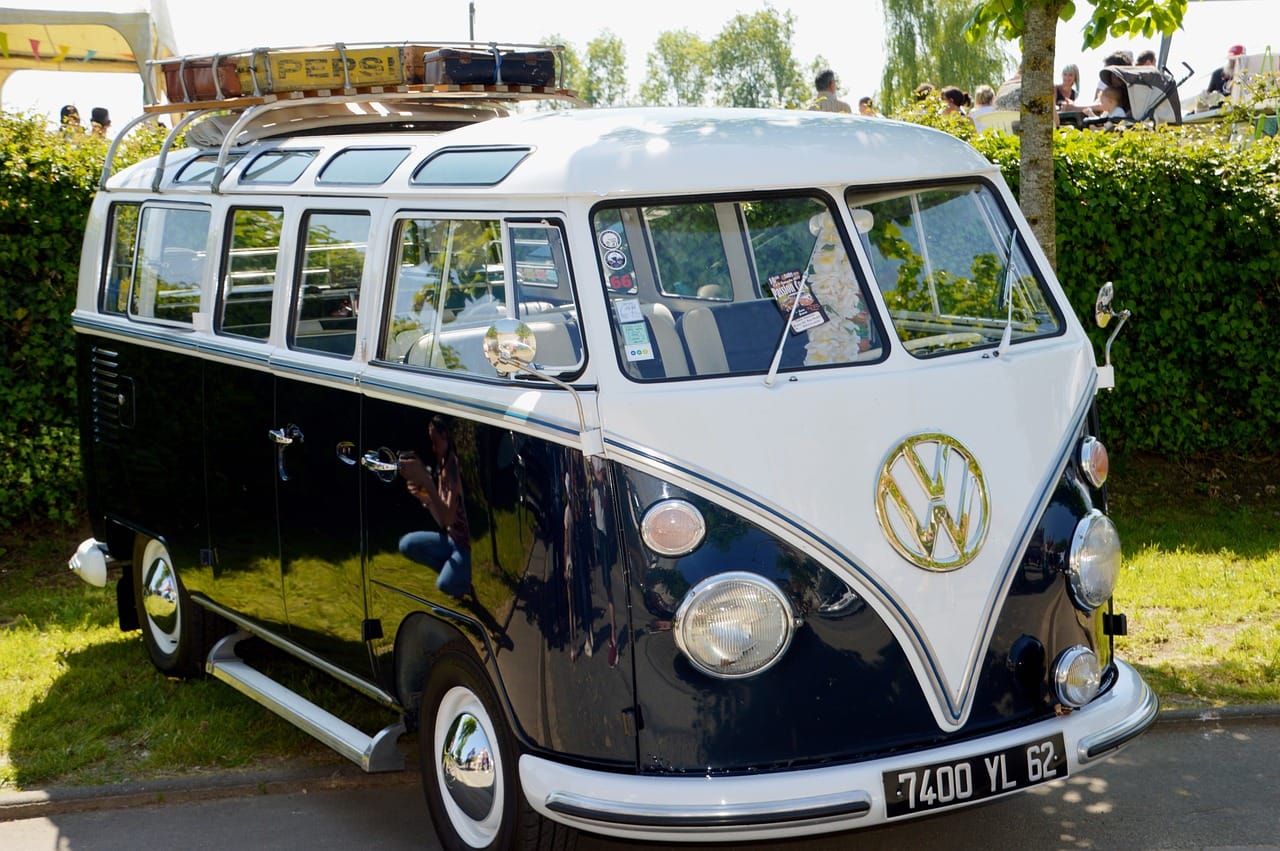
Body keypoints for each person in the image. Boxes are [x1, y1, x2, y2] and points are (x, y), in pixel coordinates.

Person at [398, 415, 472, 599]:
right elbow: (442, 522)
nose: (433, 448)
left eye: (435, 441)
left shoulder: (453, 466)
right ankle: (452, 572)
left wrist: (426, 481)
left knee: (444, 585)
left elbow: (449, 518)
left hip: (462, 546)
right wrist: (424, 496)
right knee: (407, 545)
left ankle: (462, 584)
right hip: (449, 540)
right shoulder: (442, 467)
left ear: (444, 435)